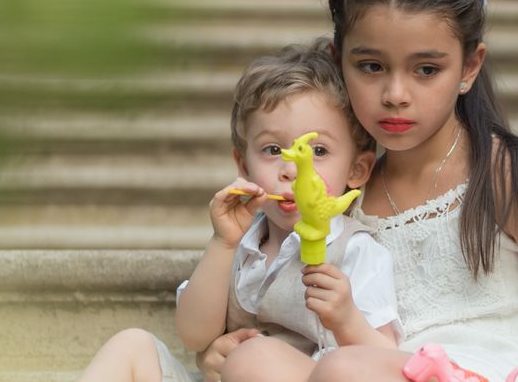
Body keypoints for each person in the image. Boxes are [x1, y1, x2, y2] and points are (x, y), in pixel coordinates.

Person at [199, 0, 518, 382]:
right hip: (363, 367)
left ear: (469, 68)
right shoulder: (335, 185)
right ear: (340, 62)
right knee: (258, 362)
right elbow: (304, 317)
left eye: (426, 70)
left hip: (492, 371)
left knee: (344, 369)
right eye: (372, 67)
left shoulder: (505, 175)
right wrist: (227, 348)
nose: (396, 95)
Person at [77, 39, 402, 382]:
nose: (290, 170)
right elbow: (194, 335)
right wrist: (223, 245)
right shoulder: (240, 241)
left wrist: (347, 317)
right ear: (243, 165)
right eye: (273, 149)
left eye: (317, 150)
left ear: (357, 170)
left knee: (257, 358)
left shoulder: (356, 250)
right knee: (132, 345)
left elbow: (387, 361)